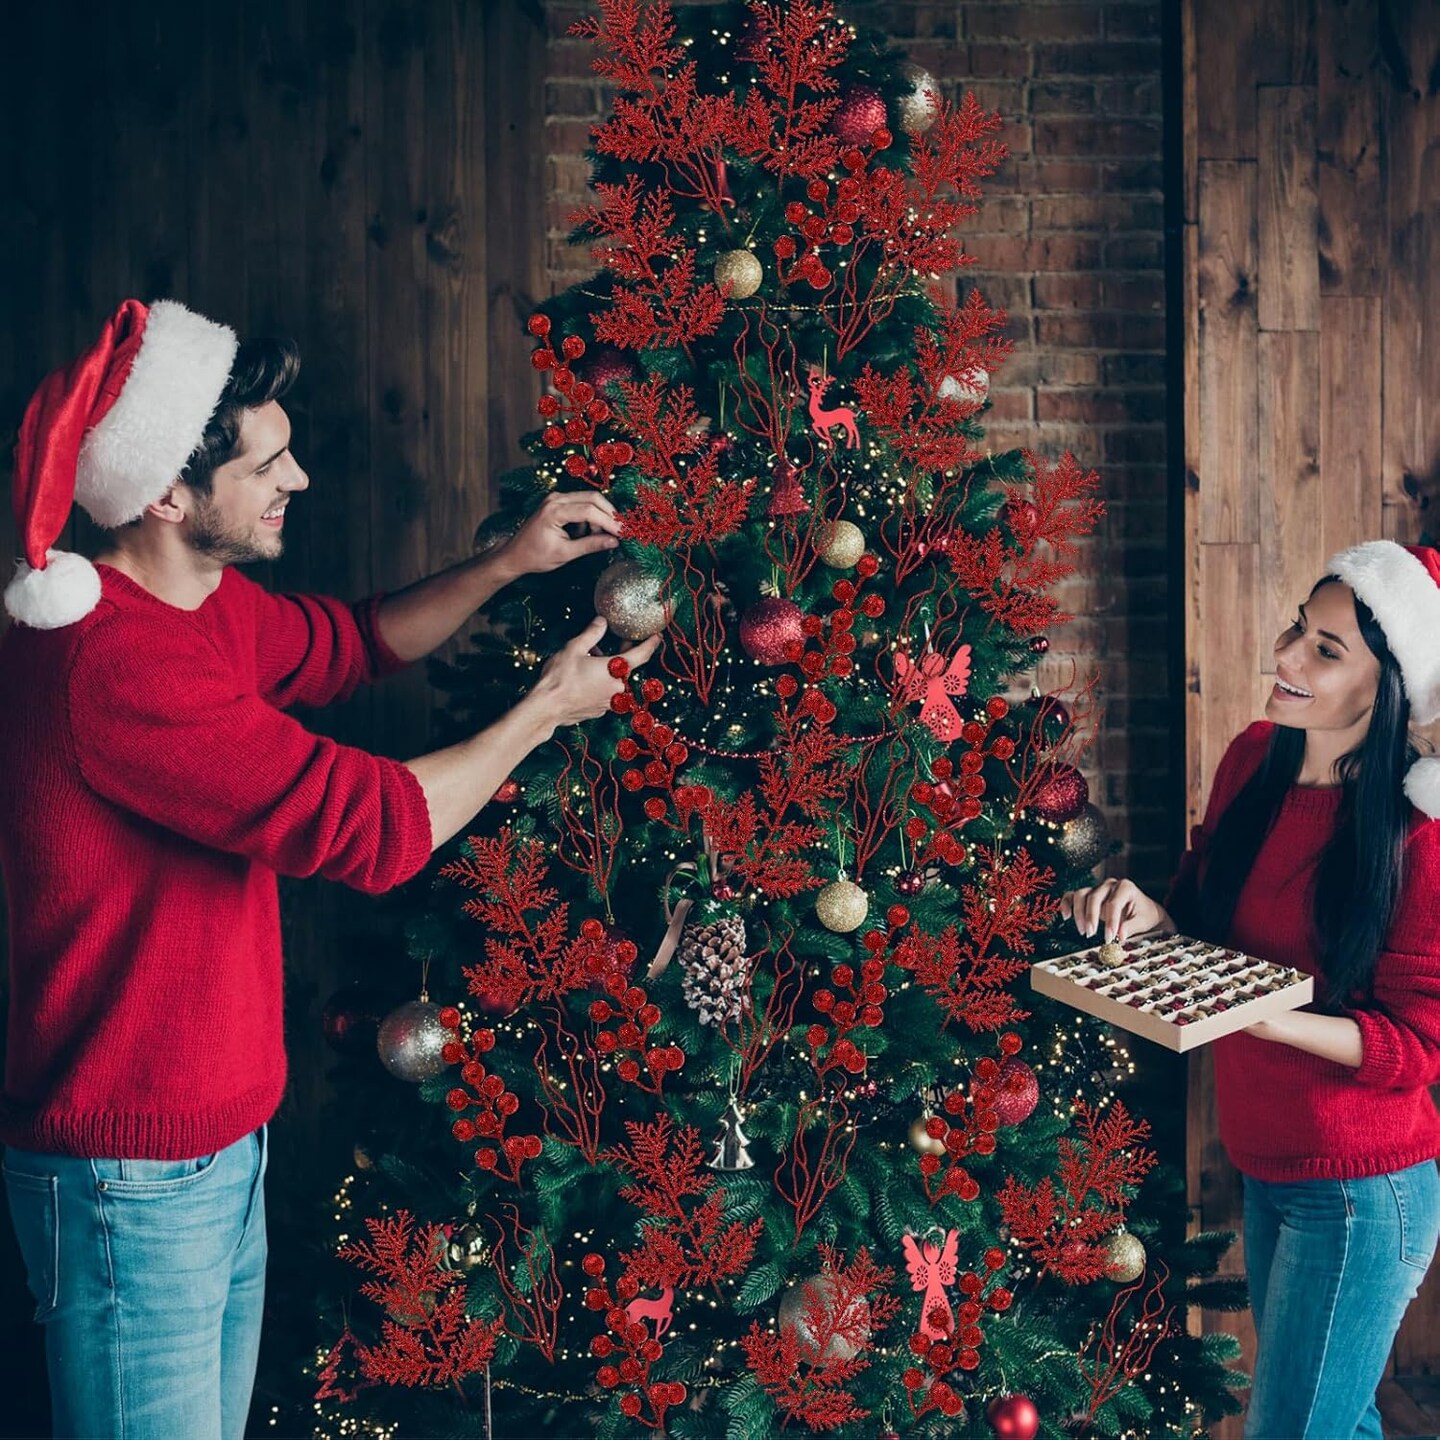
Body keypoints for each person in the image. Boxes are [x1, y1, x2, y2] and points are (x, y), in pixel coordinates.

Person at [0, 297, 658, 1439]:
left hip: (213, 1149)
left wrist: (506, 563)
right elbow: (372, 826)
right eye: (269, 460)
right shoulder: (113, 664)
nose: (298, 476)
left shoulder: (194, 604)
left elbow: (350, 643)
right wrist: (545, 712)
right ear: (166, 493)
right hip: (130, 1182)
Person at [1062, 542, 1440, 1439]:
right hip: (1269, 1163)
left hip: (1361, 1188)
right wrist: (1141, 909)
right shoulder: (1254, 760)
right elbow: (1200, 916)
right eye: (1298, 631)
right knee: (1334, 1425)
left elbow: (1421, 1047)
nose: (1285, 658)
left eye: (1325, 650)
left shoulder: (1419, 835)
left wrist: (1278, 1017)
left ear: (1388, 687)